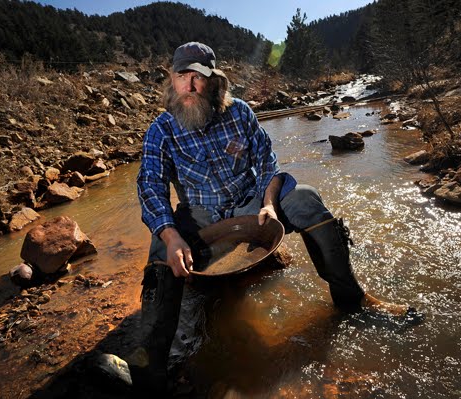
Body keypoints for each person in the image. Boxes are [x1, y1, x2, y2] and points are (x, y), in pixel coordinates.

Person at [94, 41, 422, 394]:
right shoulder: (161, 130)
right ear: (171, 80)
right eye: (181, 76)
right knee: (160, 250)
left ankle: (351, 300)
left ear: (214, 81)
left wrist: (268, 203)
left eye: (198, 77)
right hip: (200, 218)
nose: (189, 85)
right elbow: (150, 186)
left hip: (251, 204)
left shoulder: (240, 113)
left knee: (306, 199)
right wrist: (171, 235)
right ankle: (150, 365)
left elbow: (267, 163)